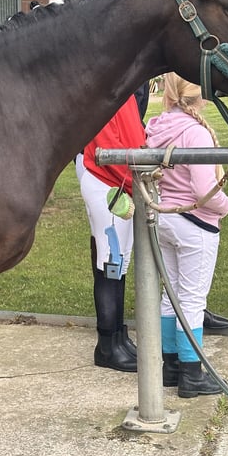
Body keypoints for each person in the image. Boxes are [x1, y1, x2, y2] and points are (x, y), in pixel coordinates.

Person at [145, 72, 228, 398]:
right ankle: (192, 373)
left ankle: (171, 366)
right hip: (196, 223)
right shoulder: (196, 133)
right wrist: (226, 206)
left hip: (165, 218)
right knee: (193, 299)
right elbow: (205, 189)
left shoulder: (158, 125)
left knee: (171, 296)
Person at [76, 94, 145, 372]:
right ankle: (107, 344)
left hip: (120, 183)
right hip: (108, 182)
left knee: (120, 263)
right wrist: (137, 180)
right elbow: (106, 147)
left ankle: (117, 335)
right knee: (110, 264)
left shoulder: (123, 92)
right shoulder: (108, 93)